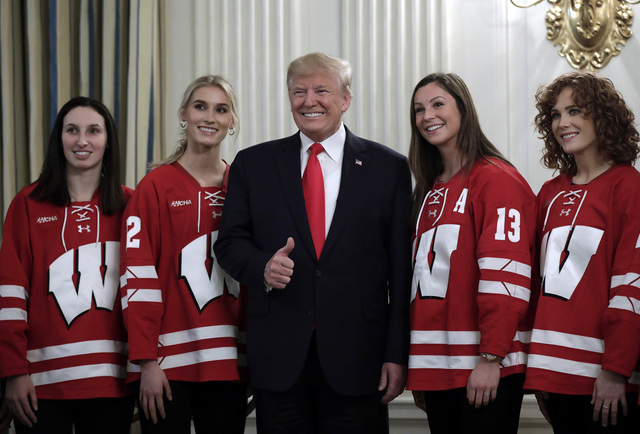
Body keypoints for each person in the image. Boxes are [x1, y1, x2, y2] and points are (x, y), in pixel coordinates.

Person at [214, 52, 412, 433]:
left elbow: (400, 271)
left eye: (322, 90)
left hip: (360, 359)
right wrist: (262, 268)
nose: (309, 101)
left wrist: (395, 353)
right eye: (298, 91)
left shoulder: (388, 168)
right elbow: (229, 243)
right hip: (278, 359)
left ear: (345, 99)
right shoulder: (253, 165)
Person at [406, 73, 535, 433]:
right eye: (418, 109)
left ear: (463, 110)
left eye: (437, 104)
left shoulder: (495, 179)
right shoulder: (427, 190)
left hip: (483, 365)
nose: (427, 115)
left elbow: (507, 274)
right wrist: (423, 368)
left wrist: (491, 357)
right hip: (438, 369)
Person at [120, 75, 247, 434]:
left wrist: (253, 361)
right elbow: (137, 276)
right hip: (167, 364)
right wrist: (146, 361)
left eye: (221, 110)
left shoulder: (244, 185)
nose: (210, 117)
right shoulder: (154, 187)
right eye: (200, 106)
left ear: (232, 121)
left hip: (228, 362)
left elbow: (254, 281)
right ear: (183, 114)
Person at [525, 71, 640, 433]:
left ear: (602, 117)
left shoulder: (630, 188)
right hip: (554, 374)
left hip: (605, 379)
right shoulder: (549, 193)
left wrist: (615, 370)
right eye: (555, 114)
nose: (563, 123)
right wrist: (540, 372)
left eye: (575, 111)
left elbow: (634, 283)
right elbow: (536, 285)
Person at [0, 96, 134, 433]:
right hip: (40, 385)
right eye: (72, 130)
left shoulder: (132, 204)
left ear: (108, 140)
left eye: (94, 131)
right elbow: (10, 295)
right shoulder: (27, 204)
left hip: (113, 382)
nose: (82, 141)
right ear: (59, 138)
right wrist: (14, 372)